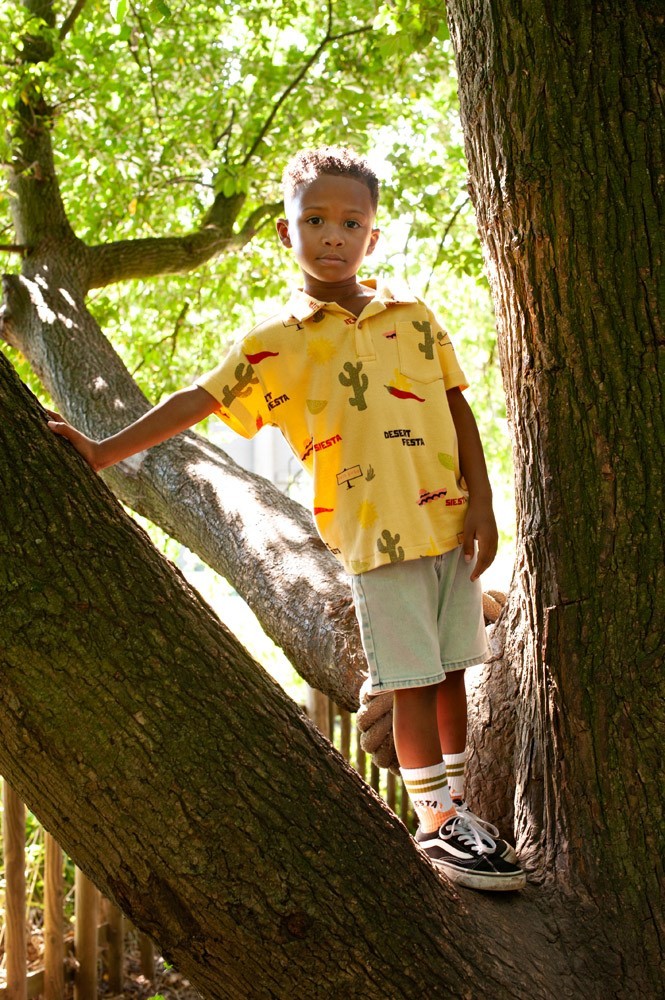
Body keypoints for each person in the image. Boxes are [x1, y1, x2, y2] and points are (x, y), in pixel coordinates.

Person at [49, 146, 525, 891]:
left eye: (349, 221)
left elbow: (456, 406)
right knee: (410, 681)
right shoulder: (277, 344)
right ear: (285, 232)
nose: (332, 235)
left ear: (372, 237)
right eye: (315, 220)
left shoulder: (414, 316)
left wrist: (486, 503)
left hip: (451, 524)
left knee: (453, 674)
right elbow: (194, 401)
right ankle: (435, 824)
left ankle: (460, 812)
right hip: (377, 537)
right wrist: (105, 451)